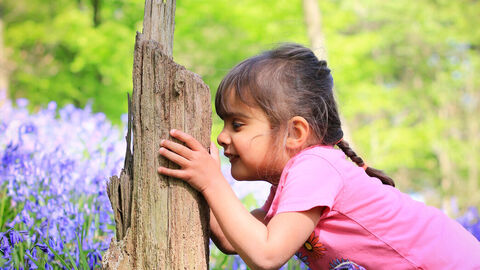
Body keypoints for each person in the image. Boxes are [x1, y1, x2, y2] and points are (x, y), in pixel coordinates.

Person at [157, 43, 480, 269]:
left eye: (237, 124)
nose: (222, 136)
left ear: (296, 133)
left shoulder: (315, 167)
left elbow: (266, 255)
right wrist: (203, 181)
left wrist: (213, 183)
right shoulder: (292, 181)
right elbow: (234, 240)